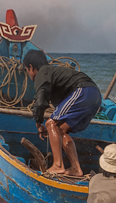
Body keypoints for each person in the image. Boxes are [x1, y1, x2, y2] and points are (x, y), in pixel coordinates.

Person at [23, 48, 102, 178]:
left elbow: (40, 100)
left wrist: (38, 122)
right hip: (94, 96)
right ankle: (76, 169)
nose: (28, 74)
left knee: (51, 123)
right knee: (61, 129)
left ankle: (58, 165)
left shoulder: (42, 73)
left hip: (83, 91)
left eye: (27, 70)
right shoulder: (52, 73)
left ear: (31, 67)